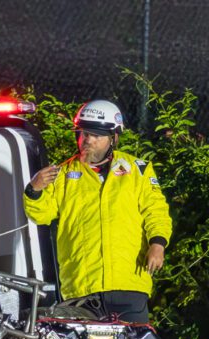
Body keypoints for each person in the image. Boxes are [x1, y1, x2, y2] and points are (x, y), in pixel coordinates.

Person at [23, 99, 172, 323]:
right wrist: (34, 190)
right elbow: (41, 215)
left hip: (128, 282)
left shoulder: (138, 170)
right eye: (84, 134)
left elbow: (156, 211)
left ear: (114, 138)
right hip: (81, 288)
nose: (88, 140)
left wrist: (158, 243)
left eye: (96, 135)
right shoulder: (61, 174)